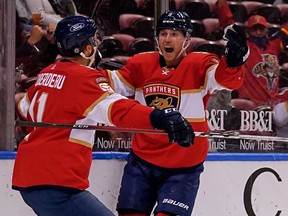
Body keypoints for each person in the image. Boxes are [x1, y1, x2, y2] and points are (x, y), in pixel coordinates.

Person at [12, 16, 194, 216]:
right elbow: (118, 110)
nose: (96, 45)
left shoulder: (46, 73)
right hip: (57, 183)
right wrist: (159, 117)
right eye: (94, 40)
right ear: (87, 48)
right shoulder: (83, 78)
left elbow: (23, 107)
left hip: (28, 177)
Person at [102, 9, 249, 216]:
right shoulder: (140, 64)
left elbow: (225, 80)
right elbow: (109, 84)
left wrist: (234, 63)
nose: (167, 39)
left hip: (184, 166)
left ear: (187, 39)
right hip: (142, 161)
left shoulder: (200, 64)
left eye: (174, 34)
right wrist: (84, 75)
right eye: (163, 34)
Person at [215, 0, 288, 108]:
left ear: (267, 30)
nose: (258, 32)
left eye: (261, 28)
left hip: (274, 105)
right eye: (254, 29)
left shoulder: (275, 45)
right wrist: (222, 3)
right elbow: (227, 22)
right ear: (247, 32)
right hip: (251, 107)